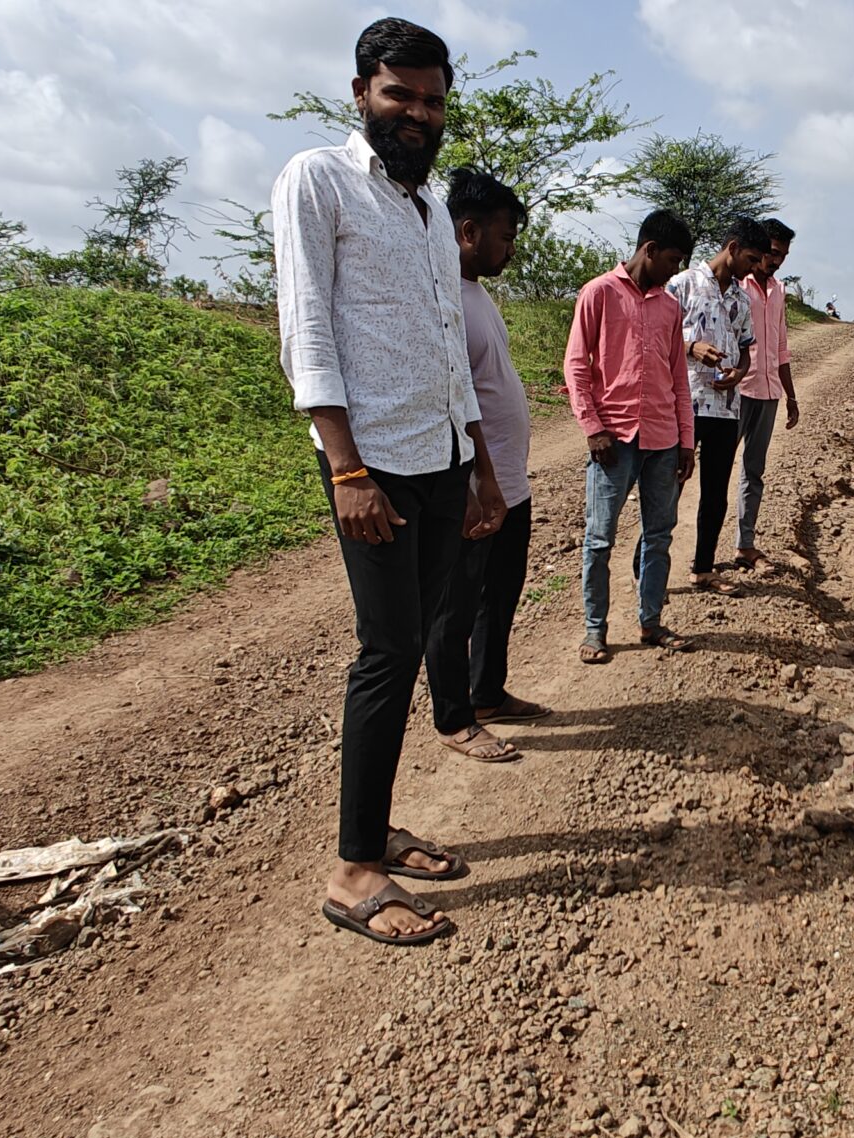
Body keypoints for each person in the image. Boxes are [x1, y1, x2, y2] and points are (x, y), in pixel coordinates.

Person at [275, 17, 506, 946]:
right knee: (386, 652)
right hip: (373, 466)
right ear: (361, 93)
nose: (417, 113)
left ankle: (374, 833)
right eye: (399, 94)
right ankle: (352, 873)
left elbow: (449, 348)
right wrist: (346, 467)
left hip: (441, 458)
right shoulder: (318, 180)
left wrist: (478, 464)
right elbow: (307, 330)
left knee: (417, 639)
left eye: (432, 100)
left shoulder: (429, 209)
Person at [423, 167, 549, 764]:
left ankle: (488, 693)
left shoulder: (477, 293)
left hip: (509, 481)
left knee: (500, 594)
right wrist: (475, 480)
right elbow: (448, 397)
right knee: (456, 604)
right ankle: (454, 717)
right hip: (474, 481)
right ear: (468, 231)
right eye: (506, 237)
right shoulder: (441, 297)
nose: (511, 249)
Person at [566, 210, 697, 663]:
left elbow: (678, 379)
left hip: (663, 440)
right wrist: (592, 428)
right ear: (650, 250)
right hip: (613, 442)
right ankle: (595, 630)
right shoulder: (598, 293)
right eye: (673, 260)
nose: (675, 271)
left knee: (659, 535)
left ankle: (651, 622)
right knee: (600, 539)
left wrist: (686, 441)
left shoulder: (670, 307)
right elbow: (577, 366)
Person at [674, 216, 769, 594]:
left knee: (715, 493)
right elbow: (656, 335)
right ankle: (644, 569)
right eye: (750, 258)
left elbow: (746, 349)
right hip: (686, 404)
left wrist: (740, 373)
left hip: (727, 408)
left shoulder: (742, 299)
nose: (754, 267)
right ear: (732, 248)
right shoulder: (683, 284)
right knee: (669, 488)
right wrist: (691, 347)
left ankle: (704, 568)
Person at [733, 217, 800, 570]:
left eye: (782, 256)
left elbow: (781, 346)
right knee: (713, 472)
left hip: (769, 391)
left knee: (754, 471)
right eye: (773, 252)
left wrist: (791, 396)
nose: (776, 261)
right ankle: (699, 553)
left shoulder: (779, 291)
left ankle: (745, 544)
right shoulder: (735, 286)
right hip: (736, 392)